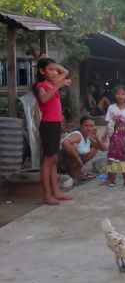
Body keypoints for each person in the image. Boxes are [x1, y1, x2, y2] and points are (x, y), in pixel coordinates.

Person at [35, 56, 73, 205]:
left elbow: (65, 72)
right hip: (48, 125)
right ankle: (47, 195)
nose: (55, 72)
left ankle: (56, 192)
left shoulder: (52, 83)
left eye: (55, 70)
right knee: (47, 160)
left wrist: (49, 60)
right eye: (50, 70)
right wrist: (59, 85)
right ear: (41, 71)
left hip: (56, 125)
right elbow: (44, 99)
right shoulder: (41, 86)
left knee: (54, 159)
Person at [59, 115, 107, 181]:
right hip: (61, 161)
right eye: (86, 126)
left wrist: (97, 138)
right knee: (74, 145)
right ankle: (71, 171)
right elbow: (64, 143)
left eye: (91, 126)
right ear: (81, 126)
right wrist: (78, 159)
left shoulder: (88, 137)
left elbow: (104, 149)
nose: (89, 128)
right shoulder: (77, 135)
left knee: (94, 149)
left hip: (74, 161)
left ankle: (77, 170)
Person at [105, 115, 125, 187]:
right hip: (113, 155)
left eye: (122, 126)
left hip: (123, 155)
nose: (121, 128)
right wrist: (113, 121)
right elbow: (109, 127)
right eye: (118, 126)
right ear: (115, 126)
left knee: (124, 169)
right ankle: (113, 181)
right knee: (113, 169)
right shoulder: (112, 133)